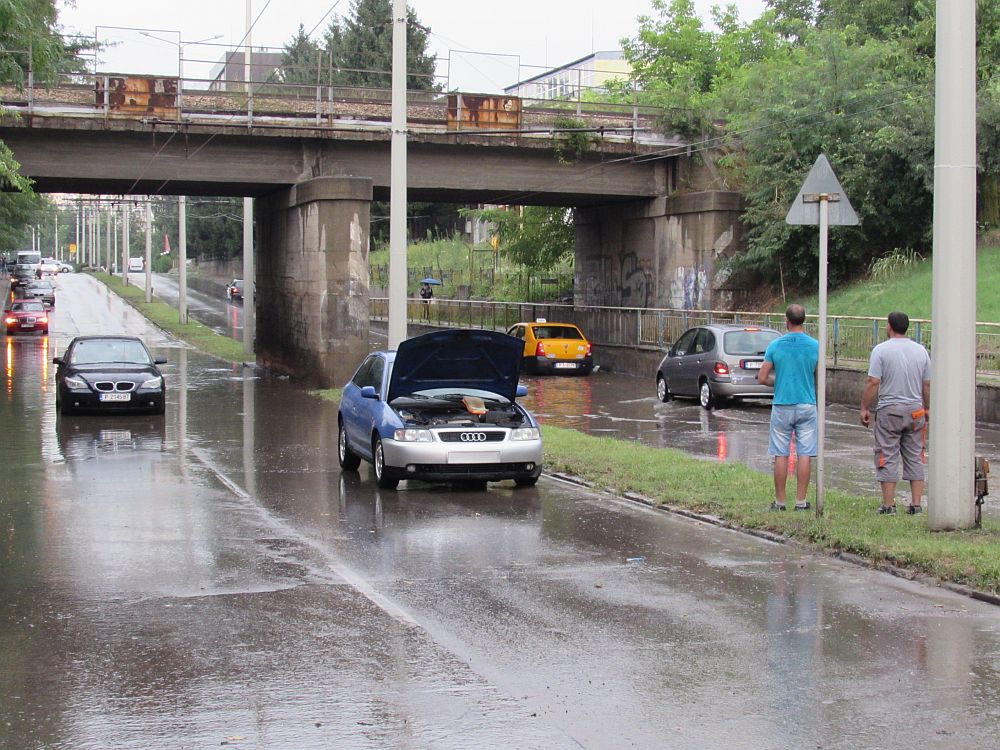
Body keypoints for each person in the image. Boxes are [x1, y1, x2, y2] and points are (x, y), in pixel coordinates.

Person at [860, 311, 931, 515]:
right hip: (916, 411)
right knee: (915, 455)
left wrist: (865, 407)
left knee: (886, 454)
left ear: (889, 326)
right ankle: (916, 505)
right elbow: (926, 384)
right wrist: (927, 408)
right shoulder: (921, 351)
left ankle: (889, 505)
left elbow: (873, 382)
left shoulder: (881, 350)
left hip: (889, 411)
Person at [757, 304, 819, 511]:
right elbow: (819, 376)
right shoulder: (815, 345)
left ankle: (780, 501)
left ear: (787, 320)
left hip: (782, 404)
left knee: (781, 453)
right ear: (804, 320)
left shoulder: (775, 345)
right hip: (807, 404)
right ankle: (801, 501)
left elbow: (762, 377)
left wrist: (779, 381)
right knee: (805, 453)